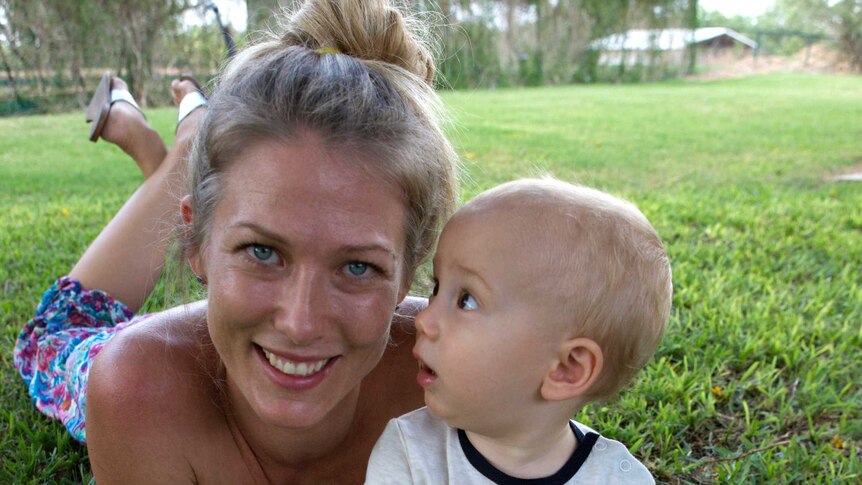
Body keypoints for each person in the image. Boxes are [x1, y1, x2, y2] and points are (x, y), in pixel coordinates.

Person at [13, 0, 459, 482]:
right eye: (261, 252)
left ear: (410, 271)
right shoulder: (135, 386)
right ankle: (187, 144)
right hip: (103, 352)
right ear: (195, 241)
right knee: (54, 336)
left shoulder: (451, 372)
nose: (300, 323)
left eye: (358, 267)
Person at [366, 178, 673, 484]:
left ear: (567, 368)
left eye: (466, 300)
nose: (424, 318)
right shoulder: (410, 455)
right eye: (437, 287)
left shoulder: (617, 479)